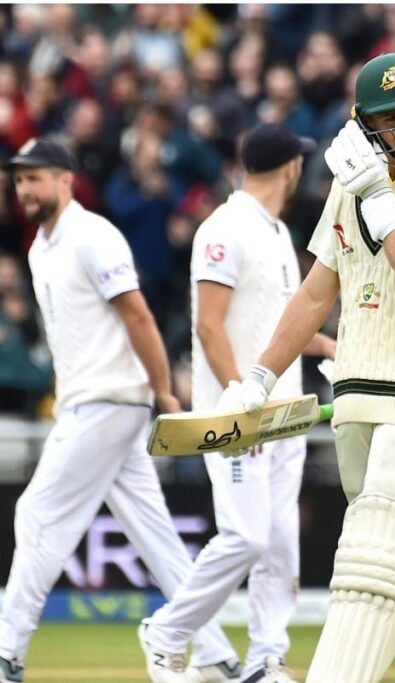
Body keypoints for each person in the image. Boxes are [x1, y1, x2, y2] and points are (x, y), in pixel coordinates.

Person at [224, 53, 395, 683]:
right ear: (365, 124)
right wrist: (259, 378)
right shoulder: (349, 188)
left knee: (371, 555)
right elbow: (316, 294)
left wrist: (377, 194)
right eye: (391, 120)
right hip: (355, 396)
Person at [0, 138, 237, 683]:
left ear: (65, 180)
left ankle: (7, 652)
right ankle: (217, 655)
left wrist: (164, 393)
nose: (24, 188)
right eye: (19, 179)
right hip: (92, 403)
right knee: (158, 541)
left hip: (107, 402)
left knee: (36, 515)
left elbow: (138, 316)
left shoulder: (94, 235)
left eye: (35, 177)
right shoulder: (39, 249)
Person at [138, 124, 334, 683]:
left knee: (279, 544)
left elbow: (279, 328)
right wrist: (239, 399)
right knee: (246, 537)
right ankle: (167, 631)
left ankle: (264, 659)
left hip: (285, 413)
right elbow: (208, 324)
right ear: (291, 167)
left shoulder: (276, 232)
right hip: (237, 417)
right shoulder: (223, 229)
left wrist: (331, 345)